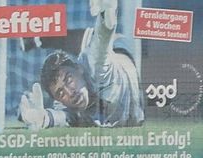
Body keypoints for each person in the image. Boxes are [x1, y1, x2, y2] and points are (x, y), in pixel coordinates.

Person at [19, 0, 143, 129]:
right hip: (127, 111)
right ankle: (39, 39)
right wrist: (41, 117)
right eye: (60, 93)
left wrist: (106, 14)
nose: (70, 92)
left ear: (79, 69)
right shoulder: (65, 105)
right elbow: (60, 117)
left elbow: (102, 41)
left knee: (96, 48)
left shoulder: (96, 68)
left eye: (69, 79)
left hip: (119, 50)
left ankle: (41, 38)